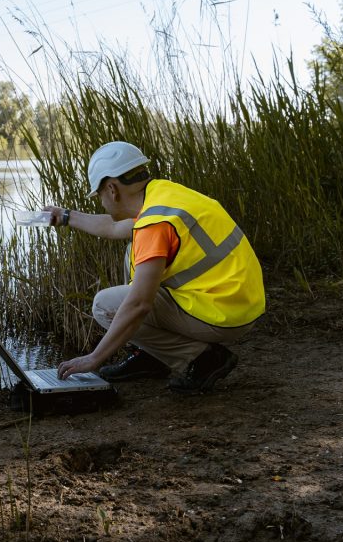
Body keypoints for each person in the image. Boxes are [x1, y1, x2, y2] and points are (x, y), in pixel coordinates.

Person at [44, 141, 265, 394]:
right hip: (239, 299)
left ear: (112, 189)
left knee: (105, 306)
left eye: (100, 195)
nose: (102, 202)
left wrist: (94, 358)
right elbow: (114, 227)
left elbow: (139, 304)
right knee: (132, 249)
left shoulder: (154, 225)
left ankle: (203, 359)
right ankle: (151, 356)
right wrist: (66, 217)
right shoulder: (163, 195)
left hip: (222, 314)